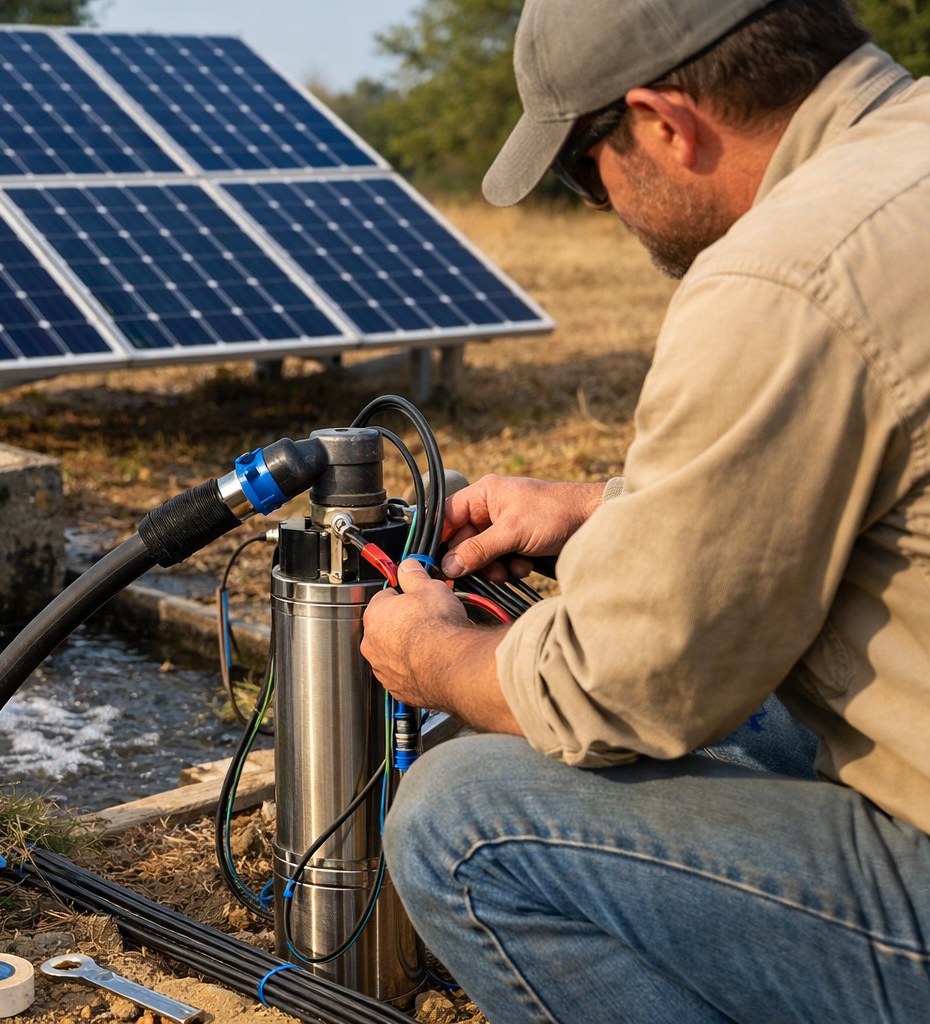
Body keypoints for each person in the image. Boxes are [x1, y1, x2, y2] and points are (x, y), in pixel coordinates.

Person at [359, 0, 930, 1020]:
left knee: (459, 819)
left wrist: (440, 660)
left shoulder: (784, 271)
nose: (595, 205)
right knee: (756, 705)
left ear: (666, 123)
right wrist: (600, 509)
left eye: (585, 168)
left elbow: (633, 686)